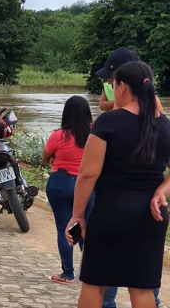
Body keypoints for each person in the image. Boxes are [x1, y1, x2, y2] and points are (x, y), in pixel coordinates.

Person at [66, 61, 169, 308]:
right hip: (151, 217)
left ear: (122, 86)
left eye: (113, 86)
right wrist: (160, 191)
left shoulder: (108, 122)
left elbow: (88, 174)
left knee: (96, 283)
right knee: (142, 288)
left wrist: (78, 215)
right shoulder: (165, 125)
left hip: (111, 213)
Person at [93, 48, 163, 307]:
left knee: (110, 274)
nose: (110, 84)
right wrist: (118, 106)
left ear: (123, 81)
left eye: (113, 81)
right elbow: (102, 104)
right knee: (137, 277)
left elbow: (157, 126)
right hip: (133, 193)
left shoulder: (149, 103)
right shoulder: (110, 114)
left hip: (125, 194)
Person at [42, 96, 95, 285]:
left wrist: (55, 158)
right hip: (86, 185)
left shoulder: (58, 135)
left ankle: (68, 274)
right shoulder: (94, 135)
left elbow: (44, 156)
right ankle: (93, 271)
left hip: (61, 183)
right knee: (83, 227)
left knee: (63, 227)